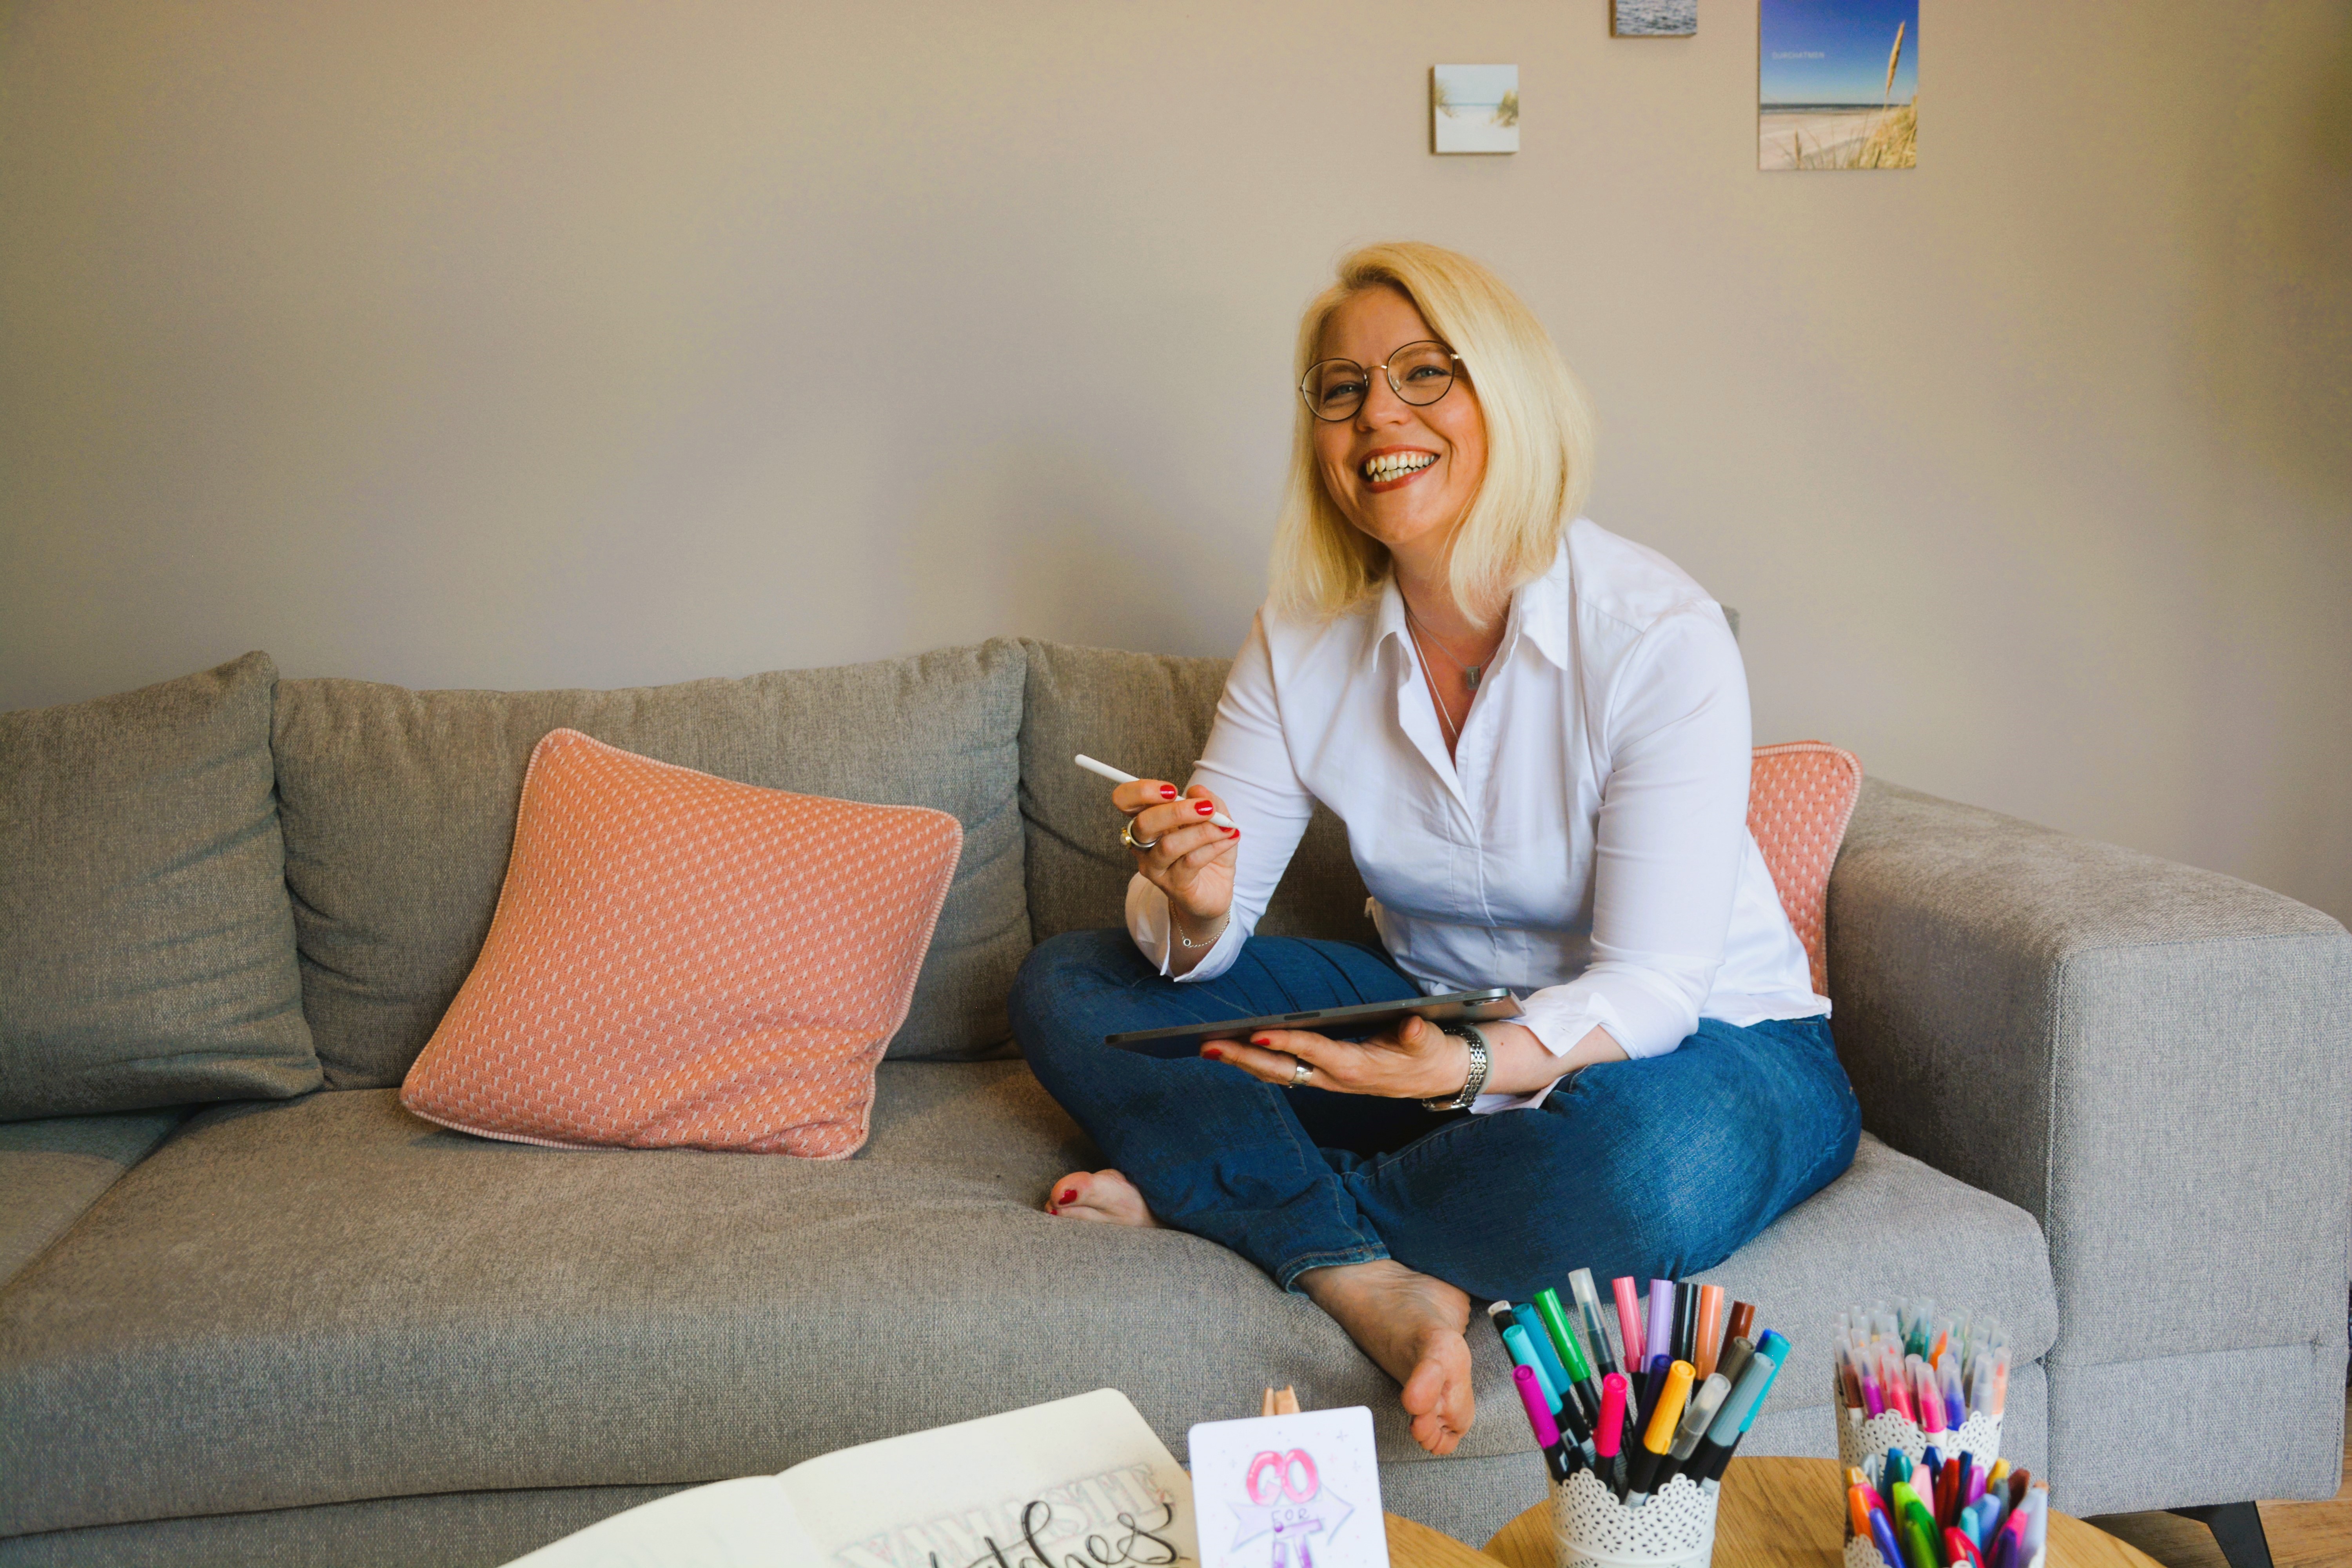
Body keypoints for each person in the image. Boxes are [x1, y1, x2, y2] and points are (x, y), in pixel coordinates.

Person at [1006, 241, 1858, 1457]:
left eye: (1423, 374)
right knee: (1072, 985)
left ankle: (1270, 1209)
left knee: (1639, 1173)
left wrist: (1462, 1079)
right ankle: (1382, 1273)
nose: (1378, 417)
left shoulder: (1656, 636)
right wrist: (1193, 901)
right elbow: (1205, 909)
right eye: (1342, 389)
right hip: (1434, 1012)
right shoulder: (1303, 636)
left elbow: (1657, 986)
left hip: (1714, 1042)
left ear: (1506, 394)